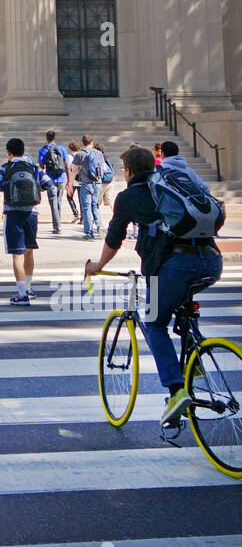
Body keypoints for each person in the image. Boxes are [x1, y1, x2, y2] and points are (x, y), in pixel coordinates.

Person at [85, 145, 223, 426]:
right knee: (180, 306)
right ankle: (192, 361)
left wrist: (97, 266)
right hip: (211, 260)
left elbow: (114, 239)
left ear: (128, 171)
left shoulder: (128, 197)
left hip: (174, 267)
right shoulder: (171, 183)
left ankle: (176, 391)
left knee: (155, 322)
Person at [0, 138, 52, 305]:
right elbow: (49, 183)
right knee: (29, 251)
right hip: (32, 213)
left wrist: (8, 185)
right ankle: (30, 287)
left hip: (13, 213)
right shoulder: (33, 167)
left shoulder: (5, 167)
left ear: (8, 152)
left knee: (17, 254)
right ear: (23, 151)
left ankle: (22, 293)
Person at [38, 130, 72, 236]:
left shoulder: (43, 150)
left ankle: (57, 226)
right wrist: (69, 180)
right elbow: (67, 165)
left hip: (50, 179)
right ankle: (58, 223)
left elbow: (41, 166)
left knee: (53, 203)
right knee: (59, 202)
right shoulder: (62, 149)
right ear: (54, 138)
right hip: (62, 178)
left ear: (46, 138)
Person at [72, 134, 105, 241]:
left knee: (86, 208)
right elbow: (103, 168)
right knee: (94, 205)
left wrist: (70, 183)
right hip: (98, 183)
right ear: (92, 141)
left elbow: (75, 170)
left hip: (86, 184)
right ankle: (100, 226)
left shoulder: (79, 154)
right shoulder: (98, 153)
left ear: (83, 142)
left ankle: (89, 233)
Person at [95, 142, 115, 211]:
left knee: (96, 201)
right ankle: (115, 214)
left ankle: (95, 218)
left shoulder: (98, 158)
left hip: (102, 182)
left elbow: (102, 169)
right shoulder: (107, 158)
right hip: (110, 181)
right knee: (110, 202)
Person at [66, 140, 82, 222]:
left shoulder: (69, 156)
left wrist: (69, 182)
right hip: (82, 180)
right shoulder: (82, 155)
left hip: (74, 180)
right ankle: (82, 217)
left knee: (69, 197)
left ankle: (76, 214)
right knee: (81, 199)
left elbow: (70, 169)